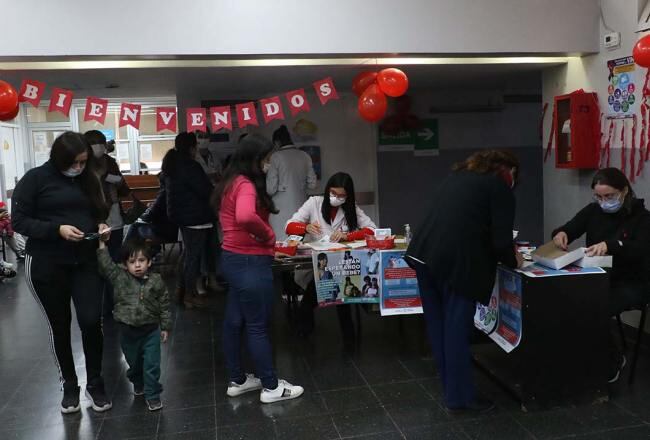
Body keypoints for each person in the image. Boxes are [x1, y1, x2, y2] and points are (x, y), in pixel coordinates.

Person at [406, 150, 523, 414]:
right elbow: (501, 241)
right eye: (514, 175)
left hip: (423, 255)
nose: (513, 181)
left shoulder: (458, 177)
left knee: (438, 327)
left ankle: (451, 387)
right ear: (507, 170)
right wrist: (515, 260)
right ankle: (461, 398)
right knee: (456, 330)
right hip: (458, 264)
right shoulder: (499, 186)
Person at [11, 131, 113, 414]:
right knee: (59, 325)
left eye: (83, 163)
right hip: (46, 264)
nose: (79, 168)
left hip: (85, 261)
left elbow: (98, 211)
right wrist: (56, 230)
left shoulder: (88, 178)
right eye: (75, 163)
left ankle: (95, 383)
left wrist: (101, 225)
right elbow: (19, 220)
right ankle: (69, 385)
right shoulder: (35, 179)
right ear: (59, 158)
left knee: (92, 321)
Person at [213, 133, 304, 403]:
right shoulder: (246, 186)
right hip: (250, 261)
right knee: (258, 325)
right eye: (265, 159)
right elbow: (244, 216)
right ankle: (271, 386)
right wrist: (268, 235)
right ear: (255, 160)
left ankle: (238, 380)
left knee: (234, 321)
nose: (268, 164)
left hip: (231, 258)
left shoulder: (230, 182)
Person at [551, 167, 650, 383]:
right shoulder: (593, 211)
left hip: (631, 283)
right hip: (598, 278)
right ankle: (584, 356)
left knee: (593, 308)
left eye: (609, 196)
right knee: (566, 301)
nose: (604, 201)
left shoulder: (642, 218)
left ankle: (612, 361)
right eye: (598, 196)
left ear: (624, 191)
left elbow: (640, 249)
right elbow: (569, 228)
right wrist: (561, 234)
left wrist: (611, 245)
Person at [285, 172, 376, 337]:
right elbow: (289, 226)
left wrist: (348, 236)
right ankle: (345, 329)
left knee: (337, 279)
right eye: (333, 193)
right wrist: (304, 228)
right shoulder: (314, 203)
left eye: (342, 195)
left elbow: (372, 230)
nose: (336, 198)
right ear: (327, 190)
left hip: (342, 264)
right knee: (332, 280)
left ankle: (309, 324)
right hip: (316, 265)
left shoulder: (351, 207)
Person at [97, 238, 171, 411]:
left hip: (150, 330)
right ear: (125, 264)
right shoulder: (119, 278)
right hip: (127, 332)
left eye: (141, 260)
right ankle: (137, 381)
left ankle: (153, 395)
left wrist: (165, 326)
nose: (137, 265)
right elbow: (106, 266)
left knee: (151, 365)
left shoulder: (156, 281)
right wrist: (102, 245)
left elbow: (165, 304)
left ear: (149, 261)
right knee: (134, 363)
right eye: (132, 262)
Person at [162, 132, 217, 308]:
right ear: (192, 147)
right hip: (196, 217)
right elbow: (205, 190)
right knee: (192, 257)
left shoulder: (173, 164)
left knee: (187, 255)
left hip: (183, 216)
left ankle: (181, 292)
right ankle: (188, 295)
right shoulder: (190, 166)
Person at [266, 125, 317, 238]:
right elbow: (313, 184)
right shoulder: (305, 155)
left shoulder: (276, 157)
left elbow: (270, 189)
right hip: (301, 206)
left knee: (282, 243)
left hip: (279, 210)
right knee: (300, 241)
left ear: (277, 142)